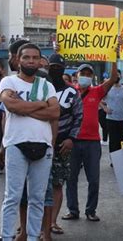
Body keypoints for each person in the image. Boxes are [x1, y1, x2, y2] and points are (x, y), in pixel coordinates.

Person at [0, 43, 60, 241]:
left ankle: (33, 237)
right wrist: (42, 104)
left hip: (43, 145)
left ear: (41, 61)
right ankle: (6, 237)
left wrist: (24, 107)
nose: (31, 61)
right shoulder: (8, 82)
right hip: (16, 143)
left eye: (35, 58)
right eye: (26, 57)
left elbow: (55, 112)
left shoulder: (46, 85)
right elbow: (11, 105)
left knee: (37, 198)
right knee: (12, 196)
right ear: (18, 59)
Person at [63, 63, 117, 221]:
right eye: (83, 73)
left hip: (92, 142)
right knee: (70, 178)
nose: (85, 76)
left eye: (88, 73)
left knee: (93, 179)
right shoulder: (70, 91)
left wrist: (113, 59)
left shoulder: (97, 91)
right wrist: (57, 52)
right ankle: (73, 210)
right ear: (77, 75)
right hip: (72, 141)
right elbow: (54, 76)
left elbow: (113, 78)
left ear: (92, 77)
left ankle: (90, 210)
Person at [47, 54, 83, 235]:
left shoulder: (72, 92)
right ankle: (34, 223)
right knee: (35, 185)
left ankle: (52, 222)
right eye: (52, 66)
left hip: (63, 144)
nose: (54, 70)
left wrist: (71, 139)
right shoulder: (41, 87)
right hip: (40, 143)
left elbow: (78, 117)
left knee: (57, 183)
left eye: (58, 67)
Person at [105, 69, 123, 153]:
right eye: (114, 74)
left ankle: (121, 159)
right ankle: (113, 160)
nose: (116, 76)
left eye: (118, 74)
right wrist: (104, 108)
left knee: (121, 140)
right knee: (113, 140)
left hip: (122, 118)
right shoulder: (107, 88)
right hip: (111, 118)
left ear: (120, 76)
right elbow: (98, 99)